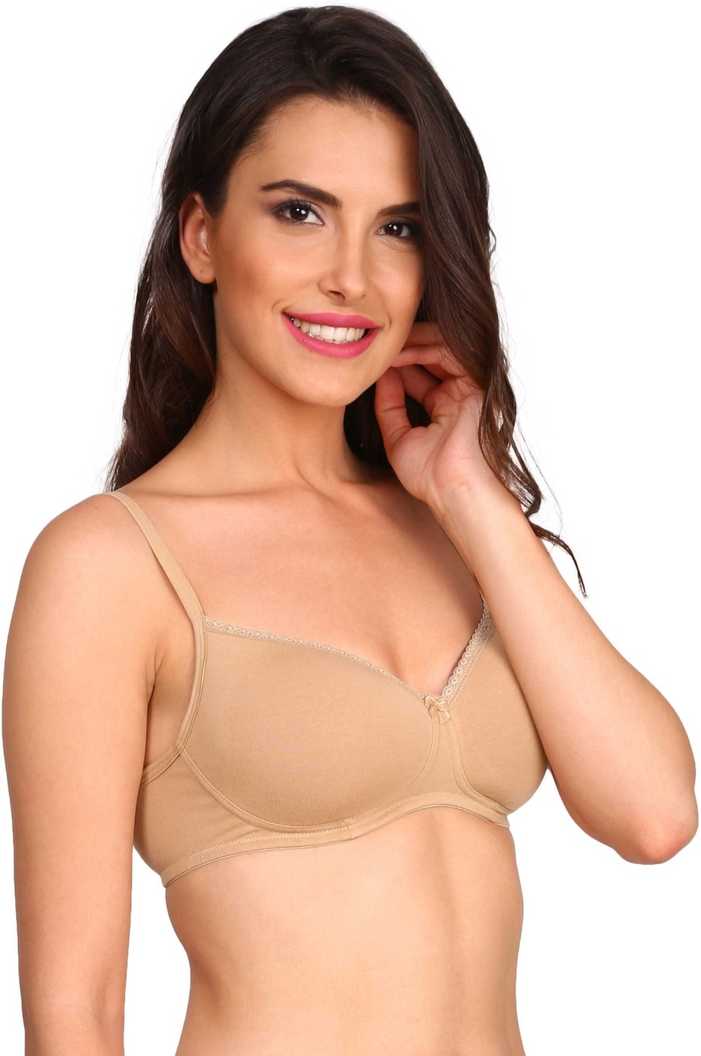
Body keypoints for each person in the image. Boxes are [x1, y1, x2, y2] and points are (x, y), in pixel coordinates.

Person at [3, 6, 697, 1054]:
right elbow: (77, 1013)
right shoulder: (110, 566)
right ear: (201, 236)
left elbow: (652, 816)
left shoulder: (451, 529)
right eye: (299, 213)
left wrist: (470, 495)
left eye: (398, 228)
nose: (352, 278)